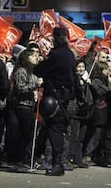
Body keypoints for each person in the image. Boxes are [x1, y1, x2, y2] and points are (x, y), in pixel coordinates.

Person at [34, 28, 77, 176]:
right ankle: (55, 161)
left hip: (56, 96)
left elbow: (40, 71)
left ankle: (57, 163)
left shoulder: (56, 54)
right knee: (56, 129)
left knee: (55, 130)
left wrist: (39, 64)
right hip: (65, 96)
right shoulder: (70, 54)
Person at [6, 47, 41, 172]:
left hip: (29, 106)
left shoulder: (31, 72)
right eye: (33, 55)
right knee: (24, 135)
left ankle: (23, 159)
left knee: (28, 134)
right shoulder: (21, 71)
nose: (36, 57)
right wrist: (36, 84)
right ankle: (18, 160)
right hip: (22, 106)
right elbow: (21, 88)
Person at [85, 61, 111, 167]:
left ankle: (101, 155)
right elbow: (104, 92)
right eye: (105, 69)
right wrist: (110, 85)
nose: (108, 71)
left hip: (106, 110)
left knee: (104, 134)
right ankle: (88, 153)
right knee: (97, 133)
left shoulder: (107, 80)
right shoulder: (97, 81)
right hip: (99, 110)